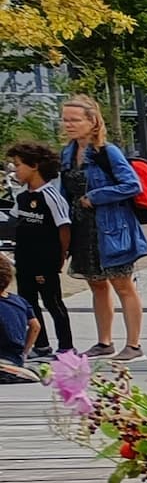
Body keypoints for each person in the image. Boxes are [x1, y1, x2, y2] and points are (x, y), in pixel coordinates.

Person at [58, 95, 147, 362]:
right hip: (83, 229)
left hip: (111, 229)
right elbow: (64, 189)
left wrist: (96, 196)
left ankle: (133, 344)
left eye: (75, 120)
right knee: (96, 284)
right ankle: (104, 341)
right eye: (65, 120)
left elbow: (132, 185)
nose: (69, 125)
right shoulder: (68, 152)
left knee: (123, 285)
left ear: (92, 121)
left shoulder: (107, 152)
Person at [5, 140, 73, 357]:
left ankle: (66, 347)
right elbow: (13, 221)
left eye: (18, 164)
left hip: (45, 260)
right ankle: (41, 345)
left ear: (34, 165)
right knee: (28, 303)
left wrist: (61, 255)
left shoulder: (51, 196)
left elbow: (64, 228)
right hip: (24, 259)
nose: (15, 169)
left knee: (53, 303)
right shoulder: (23, 196)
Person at [0, 252, 39, 382]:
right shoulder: (19, 301)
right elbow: (35, 326)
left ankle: (6, 370)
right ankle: (18, 369)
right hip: (15, 357)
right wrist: (25, 352)